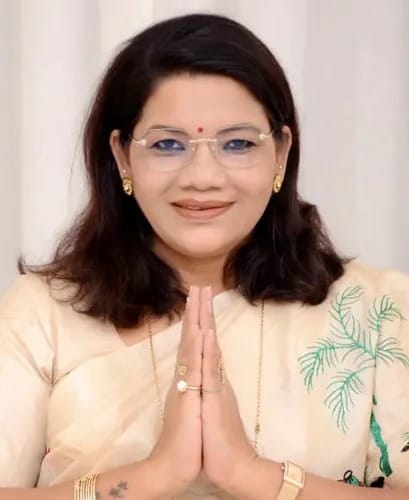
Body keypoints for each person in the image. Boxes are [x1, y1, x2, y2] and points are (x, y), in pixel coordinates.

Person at [0, 12, 408, 500]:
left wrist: (248, 473)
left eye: (237, 143)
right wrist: (157, 474)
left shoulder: (379, 312)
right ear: (123, 156)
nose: (202, 177)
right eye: (167, 144)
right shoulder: (43, 314)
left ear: (281, 153)